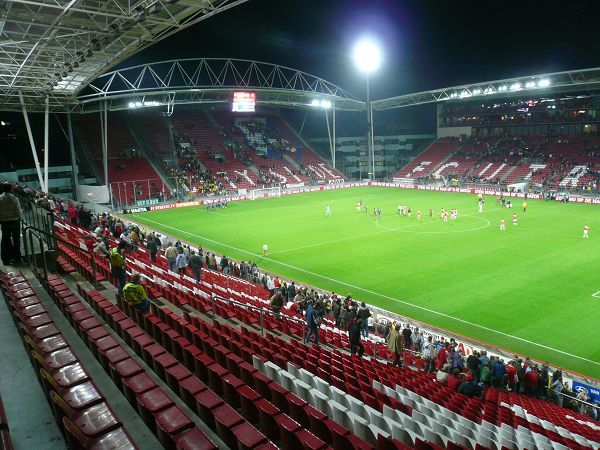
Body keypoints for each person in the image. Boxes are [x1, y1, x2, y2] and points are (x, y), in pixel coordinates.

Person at [0, 182, 22, 266]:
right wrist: (20, 219)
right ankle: (17, 258)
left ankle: (5, 259)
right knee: (16, 240)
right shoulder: (14, 198)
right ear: (11, 189)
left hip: (4, 222)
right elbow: (18, 211)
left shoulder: (0, 198)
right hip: (15, 221)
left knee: (5, 240)